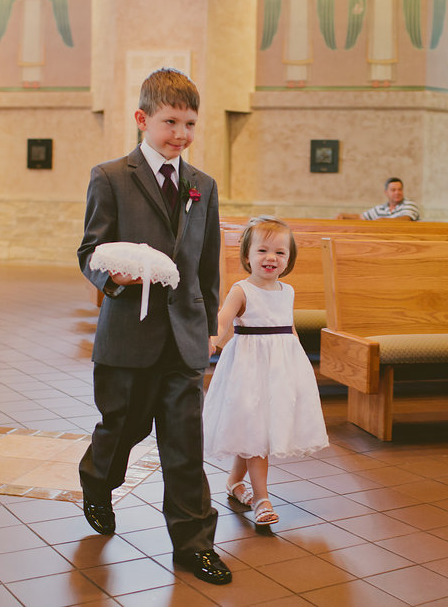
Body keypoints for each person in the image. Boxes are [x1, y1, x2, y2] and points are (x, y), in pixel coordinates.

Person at [76, 68, 231, 585]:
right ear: (143, 119)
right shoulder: (112, 176)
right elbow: (89, 253)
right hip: (128, 337)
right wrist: (113, 277)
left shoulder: (202, 187)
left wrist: (209, 327)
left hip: (184, 337)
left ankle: (193, 544)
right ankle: (96, 481)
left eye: (190, 123)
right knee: (123, 429)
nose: (181, 134)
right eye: (170, 122)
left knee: (184, 445)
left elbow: (206, 266)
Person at [203, 216, 329, 527]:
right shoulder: (241, 289)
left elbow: (291, 331)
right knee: (256, 433)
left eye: (280, 252)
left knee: (255, 431)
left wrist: (299, 370)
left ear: (289, 259)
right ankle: (262, 498)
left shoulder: (287, 291)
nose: (271, 258)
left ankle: (234, 482)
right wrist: (212, 340)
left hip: (279, 371)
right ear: (247, 256)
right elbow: (223, 319)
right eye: (262, 251)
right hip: (248, 370)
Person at [340, 177, 419, 220]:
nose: (397, 192)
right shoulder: (380, 208)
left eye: (400, 189)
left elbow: (406, 219)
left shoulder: (409, 204)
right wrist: (343, 216)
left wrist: (383, 222)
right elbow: (361, 217)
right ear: (386, 192)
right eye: (393, 190)